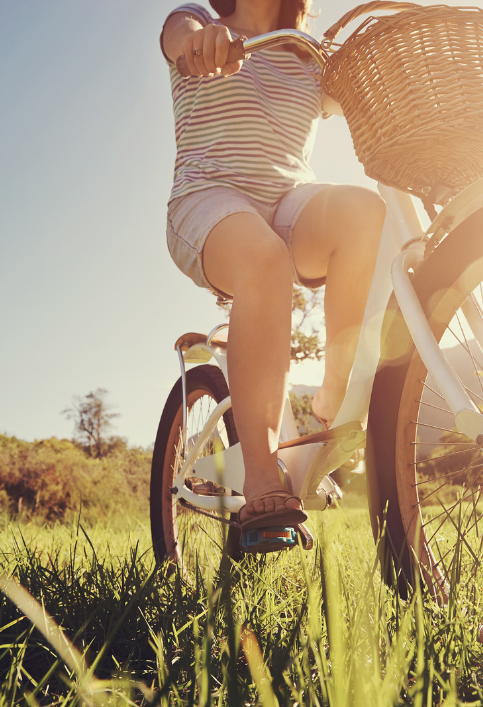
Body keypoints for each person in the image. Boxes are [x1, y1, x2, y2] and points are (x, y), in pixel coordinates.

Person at [161, 0, 384, 536]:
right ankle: (262, 473)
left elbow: (358, 94)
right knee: (264, 258)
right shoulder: (195, 20)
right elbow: (179, 38)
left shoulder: (309, 57)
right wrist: (201, 45)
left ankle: (331, 407)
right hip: (208, 197)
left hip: (287, 203)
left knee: (364, 214)